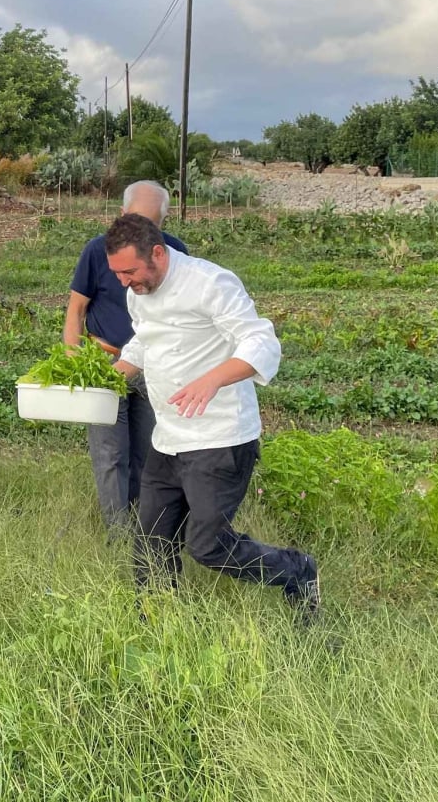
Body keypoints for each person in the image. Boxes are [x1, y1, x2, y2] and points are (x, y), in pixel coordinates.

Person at [104, 213, 321, 622]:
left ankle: (297, 571)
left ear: (157, 253)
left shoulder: (210, 283)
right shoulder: (138, 292)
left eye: (129, 271)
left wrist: (211, 381)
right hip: (168, 438)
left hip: (218, 439)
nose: (123, 282)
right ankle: (157, 623)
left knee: (208, 546)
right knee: (151, 543)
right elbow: (144, 343)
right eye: (117, 273)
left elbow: (261, 341)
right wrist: (103, 379)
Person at [62, 181, 189, 531]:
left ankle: (145, 529)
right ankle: (118, 534)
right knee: (109, 454)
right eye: (137, 221)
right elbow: (76, 309)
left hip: (156, 367)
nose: (144, 234)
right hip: (107, 363)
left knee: (151, 453)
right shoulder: (96, 251)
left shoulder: (175, 253)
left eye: (153, 225)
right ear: (121, 215)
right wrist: (74, 361)